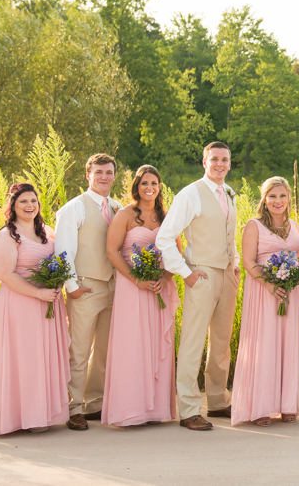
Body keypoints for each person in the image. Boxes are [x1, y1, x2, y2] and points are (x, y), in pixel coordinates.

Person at [155, 142, 239, 431]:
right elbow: (165, 238)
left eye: (224, 160)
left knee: (221, 342)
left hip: (227, 274)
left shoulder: (230, 193)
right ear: (204, 162)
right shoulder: (190, 193)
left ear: (230, 163)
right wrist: (185, 273)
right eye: (214, 159)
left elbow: (230, 235)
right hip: (201, 274)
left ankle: (217, 400)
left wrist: (236, 262)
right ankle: (189, 409)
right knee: (193, 341)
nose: (220, 164)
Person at [0, 183, 70, 435]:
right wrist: (38, 292)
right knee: (24, 359)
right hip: (20, 303)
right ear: (12, 206)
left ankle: (41, 414)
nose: (30, 205)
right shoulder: (7, 235)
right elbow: (5, 274)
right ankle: (20, 417)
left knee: (42, 357)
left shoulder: (46, 232)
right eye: (23, 201)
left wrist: (57, 284)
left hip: (47, 302)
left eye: (33, 201)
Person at [102, 165, 181, 427]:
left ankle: (156, 410)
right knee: (132, 345)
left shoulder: (168, 217)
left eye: (154, 184)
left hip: (159, 287)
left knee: (157, 343)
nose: (150, 188)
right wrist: (137, 279)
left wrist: (163, 278)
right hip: (132, 287)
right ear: (136, 186)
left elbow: (176, 254)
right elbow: (112, 252)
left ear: (160, 187)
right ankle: (130, 410)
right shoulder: (124, 214)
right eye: (144, 183)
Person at [54, 153, 121, 430]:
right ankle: (74, 407)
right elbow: (63, 250)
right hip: (85, 286)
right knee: (79, 350)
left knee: (103, 350)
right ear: (88, 175)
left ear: (114, 175)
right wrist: (73, 287)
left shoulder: (118, 208)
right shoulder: (74, 208)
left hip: (113, 287)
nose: (104, 177)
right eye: (98, 172)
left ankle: (95, 403)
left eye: (108, 172)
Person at [231, 177, 299, 426]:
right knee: (264, 346)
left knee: (288, 346)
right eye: (272, 196)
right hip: (264, 293)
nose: (278, 201)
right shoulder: (254, 225)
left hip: (291, 294)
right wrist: (271, 284)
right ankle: (261, 407)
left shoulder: (294, 225)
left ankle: (287, 405)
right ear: (264, 198)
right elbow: (249, 261)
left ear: (288, 199)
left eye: (282, 196)